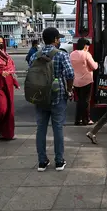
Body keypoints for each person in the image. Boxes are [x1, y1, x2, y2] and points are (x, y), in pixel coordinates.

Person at [29, 27, 75, 172]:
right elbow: (70, 74)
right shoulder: (61, 55)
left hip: (40, 96)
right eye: (59, 38)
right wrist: (69, 90)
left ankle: (42, 162)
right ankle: (59, 161)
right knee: (58, 129)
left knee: (41, 129)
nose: (60, 40)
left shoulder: (35, 55)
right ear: (55, 40)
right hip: (58, 96)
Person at [70, 38, 98, 126]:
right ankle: (86, 120)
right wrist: (97, 63)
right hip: (86, 81)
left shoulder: (72, 54)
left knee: (79, 101)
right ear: (85, 46)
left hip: (76, 81)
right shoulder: (86, 54)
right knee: (86, 101)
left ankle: (77, 120)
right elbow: (94, 67)